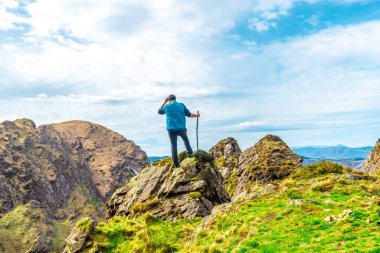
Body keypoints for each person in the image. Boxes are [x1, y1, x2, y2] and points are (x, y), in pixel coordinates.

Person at [158, 94, 200, 167]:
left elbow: (159, 111)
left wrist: (164, 102)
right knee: (185, 140)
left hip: (171, 129)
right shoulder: (181, 105)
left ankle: (176, 164)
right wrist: (197, 115)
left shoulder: (166, 106)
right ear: (175, 99)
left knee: (173, 146)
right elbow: (189, 114)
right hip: (181, 128)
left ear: (169, 100)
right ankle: (190, 154)